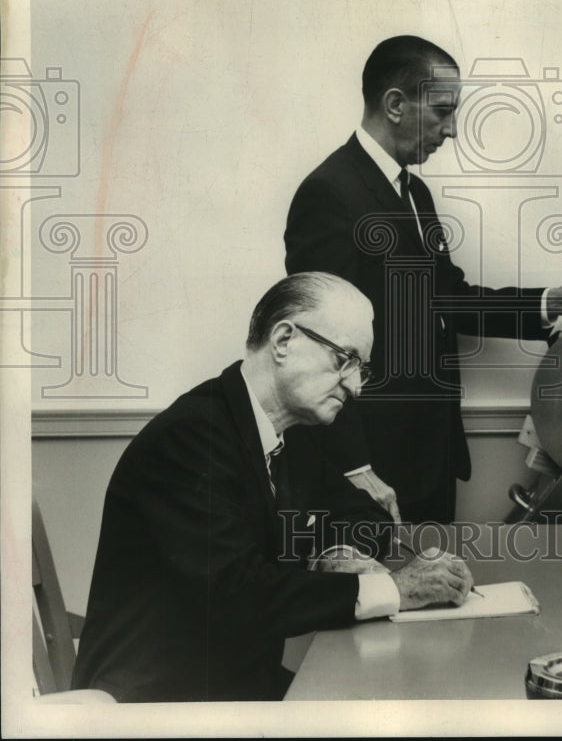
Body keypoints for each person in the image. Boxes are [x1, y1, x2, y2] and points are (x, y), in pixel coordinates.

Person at [71, 272, 474, 702]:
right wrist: (396, 589)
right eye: (345, 359)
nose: (356, 387)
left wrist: (331, 552)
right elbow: (239, 597)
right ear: (283, 340)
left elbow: (367, 513)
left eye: (363, 369)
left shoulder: (288, 435)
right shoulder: (189, 439)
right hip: (154, 704)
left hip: (233, 684)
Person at [284, 35, 562, 524]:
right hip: (370, 468)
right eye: (442, 111)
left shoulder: (413, 191)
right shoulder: (328, 193)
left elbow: (446, 299)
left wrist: (551, 303)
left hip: (429, 456)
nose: (453, 130)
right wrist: (355, 466)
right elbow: (319, 345)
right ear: (395, 104)